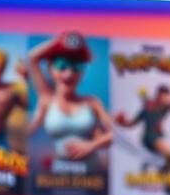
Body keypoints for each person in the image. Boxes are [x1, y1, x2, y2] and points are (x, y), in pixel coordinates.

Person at [26, 31, 113, 165]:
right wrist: (62, 41)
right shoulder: (47, 99)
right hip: (59, 174)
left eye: (76, 67)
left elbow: (116, 133)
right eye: (62, 66)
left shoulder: (92, 103)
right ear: (50, 69)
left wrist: (91, 145)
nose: (69, 73)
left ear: (82, 73)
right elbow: (32, 57)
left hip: (92, 175)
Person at [115, 84, 170, 194]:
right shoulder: (147, 109)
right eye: (162, 96)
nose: (164, 99)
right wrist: (122, 121)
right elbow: (132, 123)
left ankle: (167, 183)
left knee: (165, 161)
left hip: (157, 138)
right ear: (158, 95)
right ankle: (162, 176)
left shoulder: (165, 108)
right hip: (150, 138)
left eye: (166, 97)